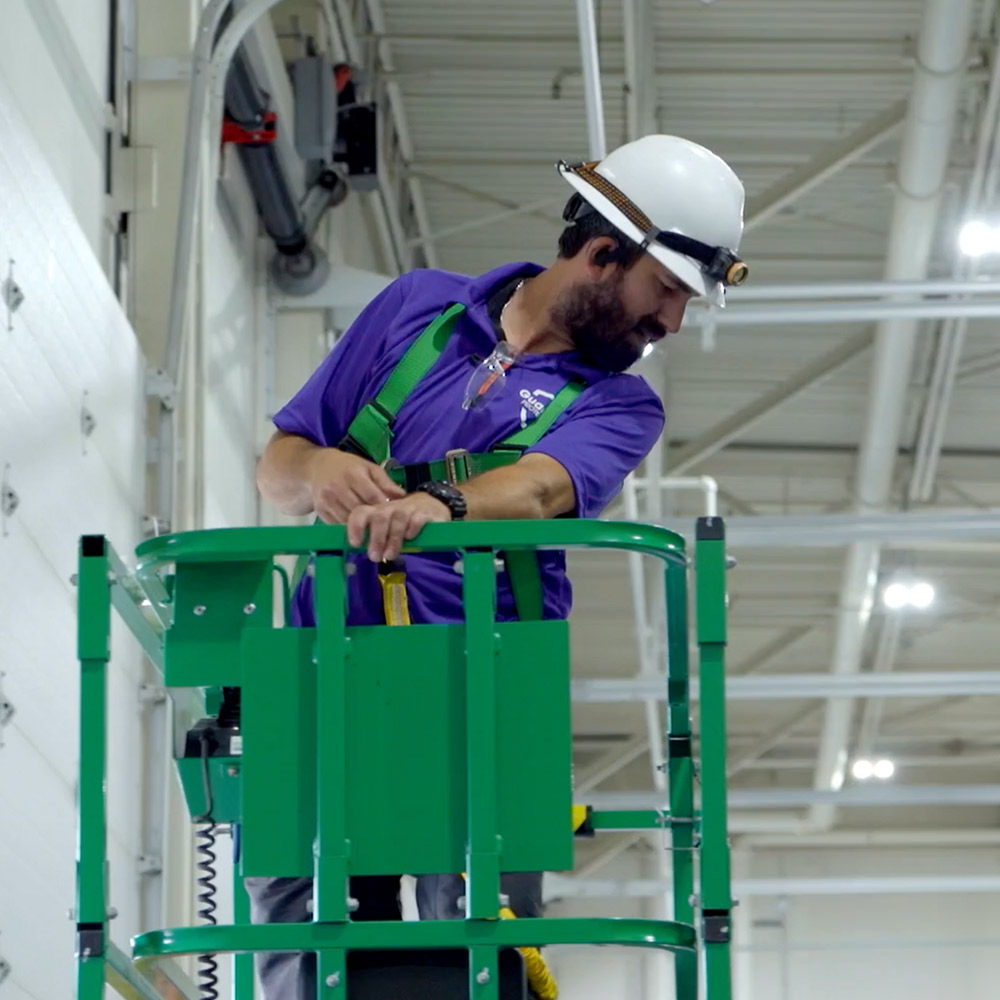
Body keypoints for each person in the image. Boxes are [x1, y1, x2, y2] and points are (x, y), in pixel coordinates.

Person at [248, 133, 747, 999]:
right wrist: (321, 469)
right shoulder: (417, 308)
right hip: (323, 666)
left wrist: (440, 505)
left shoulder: (622, 402)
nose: (669, 321)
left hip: (488, 689)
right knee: (301, 935)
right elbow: (279, 466)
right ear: (602, 252)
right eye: (665, 289)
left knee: (484, 949)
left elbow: (546, 487)